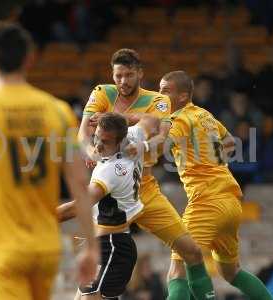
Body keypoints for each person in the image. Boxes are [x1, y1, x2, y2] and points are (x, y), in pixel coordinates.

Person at [0, 21, 98, 300]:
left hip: (3, 244)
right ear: (30, 59)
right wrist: (91, 248)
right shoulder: (58, 111)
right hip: (45, 246)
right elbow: (79, 182)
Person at [78, 49, 215, 300]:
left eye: (129, 75)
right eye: (118, 75)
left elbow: (161, 136)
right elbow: (83, 134)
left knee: (191, 252)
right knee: (94, 287)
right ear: (112, 74)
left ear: (140, 73)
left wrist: (121, 122)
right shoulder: (101, 93)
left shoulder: (158, 100)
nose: (123, 81)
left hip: (145, 189)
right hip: (111, 195)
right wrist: (91, 152)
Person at [146, 70, 273, 300]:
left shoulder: (180, 118)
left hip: (207, 202)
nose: (159, 95)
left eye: (165, 91)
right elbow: (229, 143)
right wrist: (210, 160)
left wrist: (136, 146)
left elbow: (161, 143)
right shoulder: (205, 115)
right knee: (231, 272)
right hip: (231, 202)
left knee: (176, 272)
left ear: (183, 96)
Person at [57, 113, 148, 299]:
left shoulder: (112, 171)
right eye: (97, 136)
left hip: (112, 247)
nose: (98, 144)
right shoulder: (134, 135)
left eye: (105, 142)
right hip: (110, 245)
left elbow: (77, 207)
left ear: (120, 143)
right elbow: (152, 120)